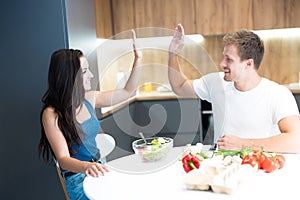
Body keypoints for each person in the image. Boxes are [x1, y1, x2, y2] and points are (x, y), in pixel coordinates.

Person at [38, 29, 142, 199]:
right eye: (85, 71)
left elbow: (128, 91)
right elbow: (63, 158)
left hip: (100, 168)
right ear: (70, 76)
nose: (91, 75)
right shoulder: (51, 114)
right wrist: (86, 167)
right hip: (77, 178)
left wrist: (138, 59)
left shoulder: (90, 98)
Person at [168, 24, 300, 153]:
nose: (221, 64)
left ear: (248, 63)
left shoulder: (278, 94)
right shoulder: (216, 83)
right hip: (222, 166)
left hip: (262, 168)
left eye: (229, 59)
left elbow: (296, 141)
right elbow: (180, 86)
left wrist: (243, 144)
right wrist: (173, 54)